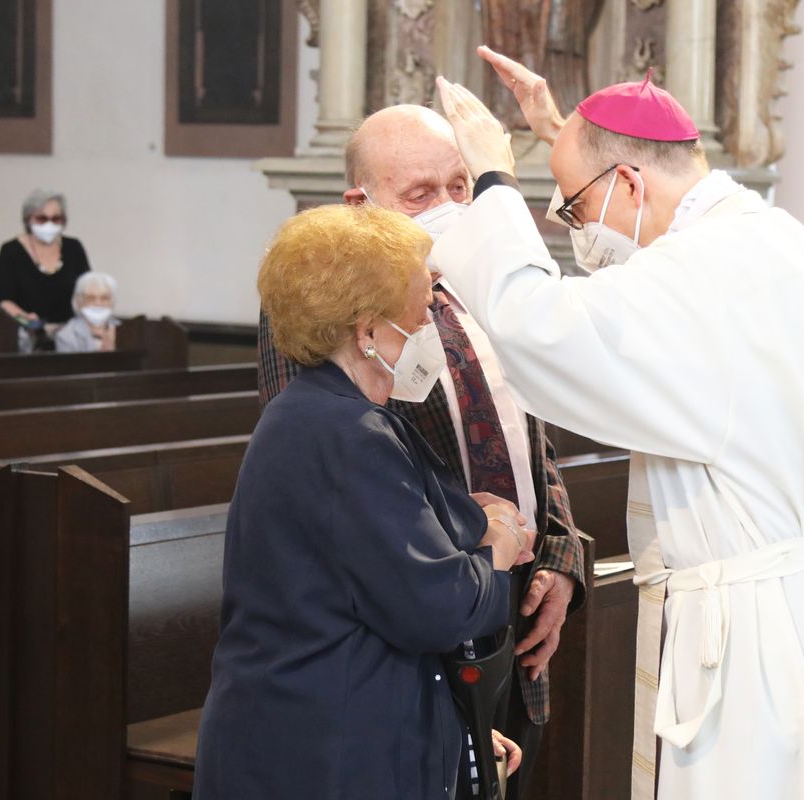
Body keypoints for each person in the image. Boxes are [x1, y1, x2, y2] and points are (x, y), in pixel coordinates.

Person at [430, 49, 804, 800]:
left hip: (750, 638)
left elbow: (540, 329)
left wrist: (494, 181)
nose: (577, 230)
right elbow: (632, 293)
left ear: (632, 183)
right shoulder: (771, 238)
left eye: (573, 207)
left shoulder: (700, 276)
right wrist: (563, 136)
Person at [256, 104, 586, 799]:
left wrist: (558, 557)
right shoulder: (327, 315)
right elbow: (348, 491)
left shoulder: (491, 284)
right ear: (361, 202)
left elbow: (530, 438)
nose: (449, 207)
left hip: (514, 627)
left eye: (460, 186)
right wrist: (481, 555)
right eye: (421, 195)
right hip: (422, 640)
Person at [194, 204, 531, 799]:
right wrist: (499, 545)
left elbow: (388, 575)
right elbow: (438, 606)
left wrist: (452, 730)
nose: (432, 329)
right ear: (367, 332)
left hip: (333, 724)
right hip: (322, 748)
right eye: (422, 313)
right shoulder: (345, 433)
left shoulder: (327, 414)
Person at [0, 190, 92, 338]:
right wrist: (27, 321)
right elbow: (5, 301)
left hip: (72, 334)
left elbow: (88, 290)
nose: (49, 224)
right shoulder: (11, 251)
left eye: (56, 219)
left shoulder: (74, 247)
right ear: (28, 219)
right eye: (42, 218)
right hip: (27, 335)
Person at [53, 272, 119, 353]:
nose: (98, 303)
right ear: (79, 302)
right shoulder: (66, 336)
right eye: (91, 298)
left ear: (112, 302)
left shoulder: (123, 329)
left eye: (104, 298)